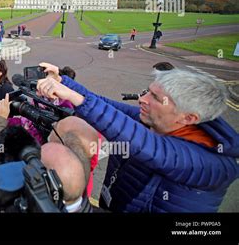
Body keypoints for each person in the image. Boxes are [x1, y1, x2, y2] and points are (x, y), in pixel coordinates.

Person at [36, 63, 239, 212]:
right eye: (147, 92)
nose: (142, 99)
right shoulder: (156, 121)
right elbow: (108, 107)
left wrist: (75, 98)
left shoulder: (208, 163)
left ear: (188, 117)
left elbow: (150, 146)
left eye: (155, 98)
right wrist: (63, 81)